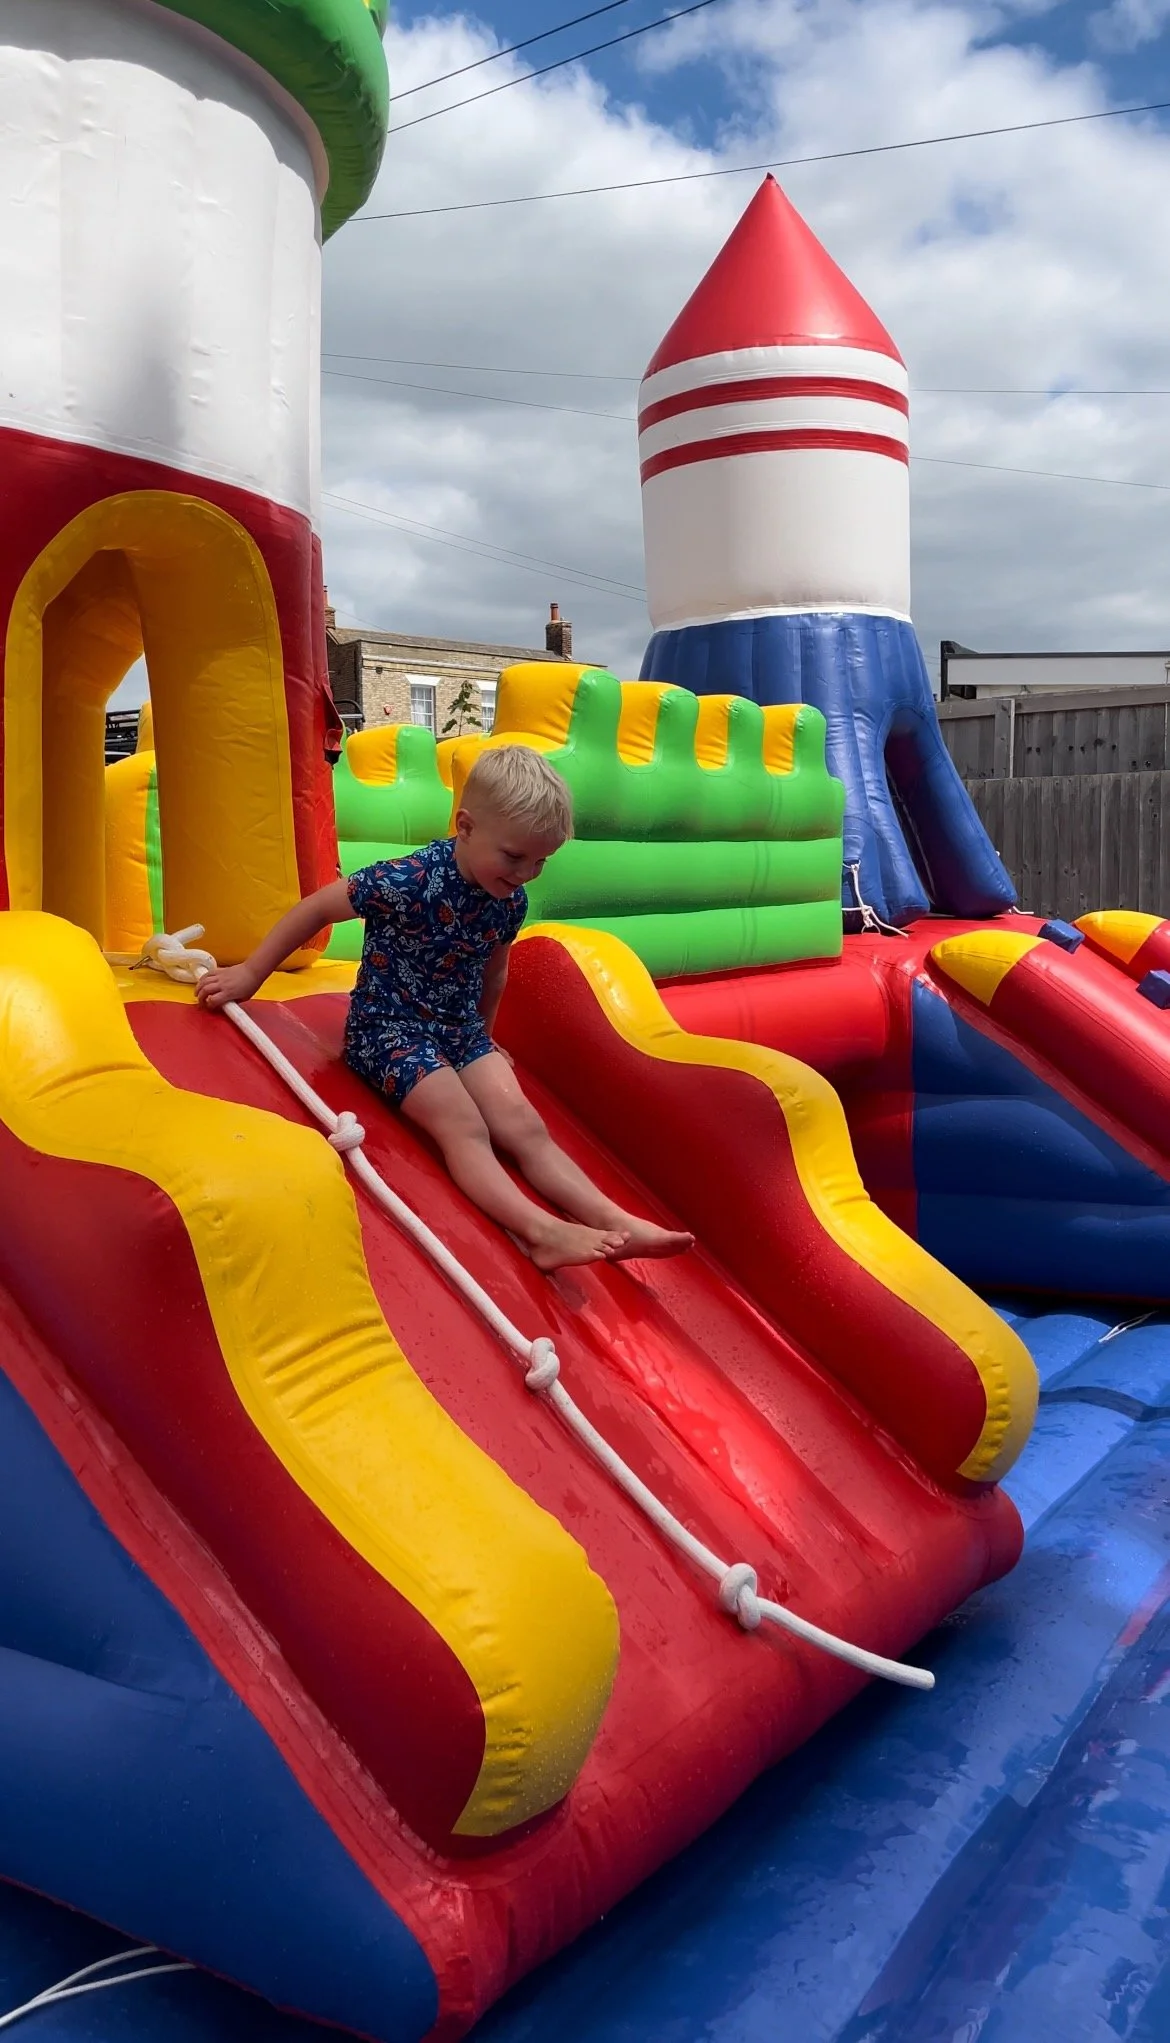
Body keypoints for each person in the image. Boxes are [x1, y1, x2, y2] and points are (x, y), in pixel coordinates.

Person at [197, 744, 694, 1273]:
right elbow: (318, 907)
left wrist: (485, 1039)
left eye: (541, 861)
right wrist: (252, 974)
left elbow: (494, 971)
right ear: (466, 826)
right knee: (463, 1123)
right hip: (388, 1030)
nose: (527, 873)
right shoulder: (407, 880)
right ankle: (541, 1232)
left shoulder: (508, 899)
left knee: (523, 1123)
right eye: (514, 856)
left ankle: (614, 1219)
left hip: (457, 1030)